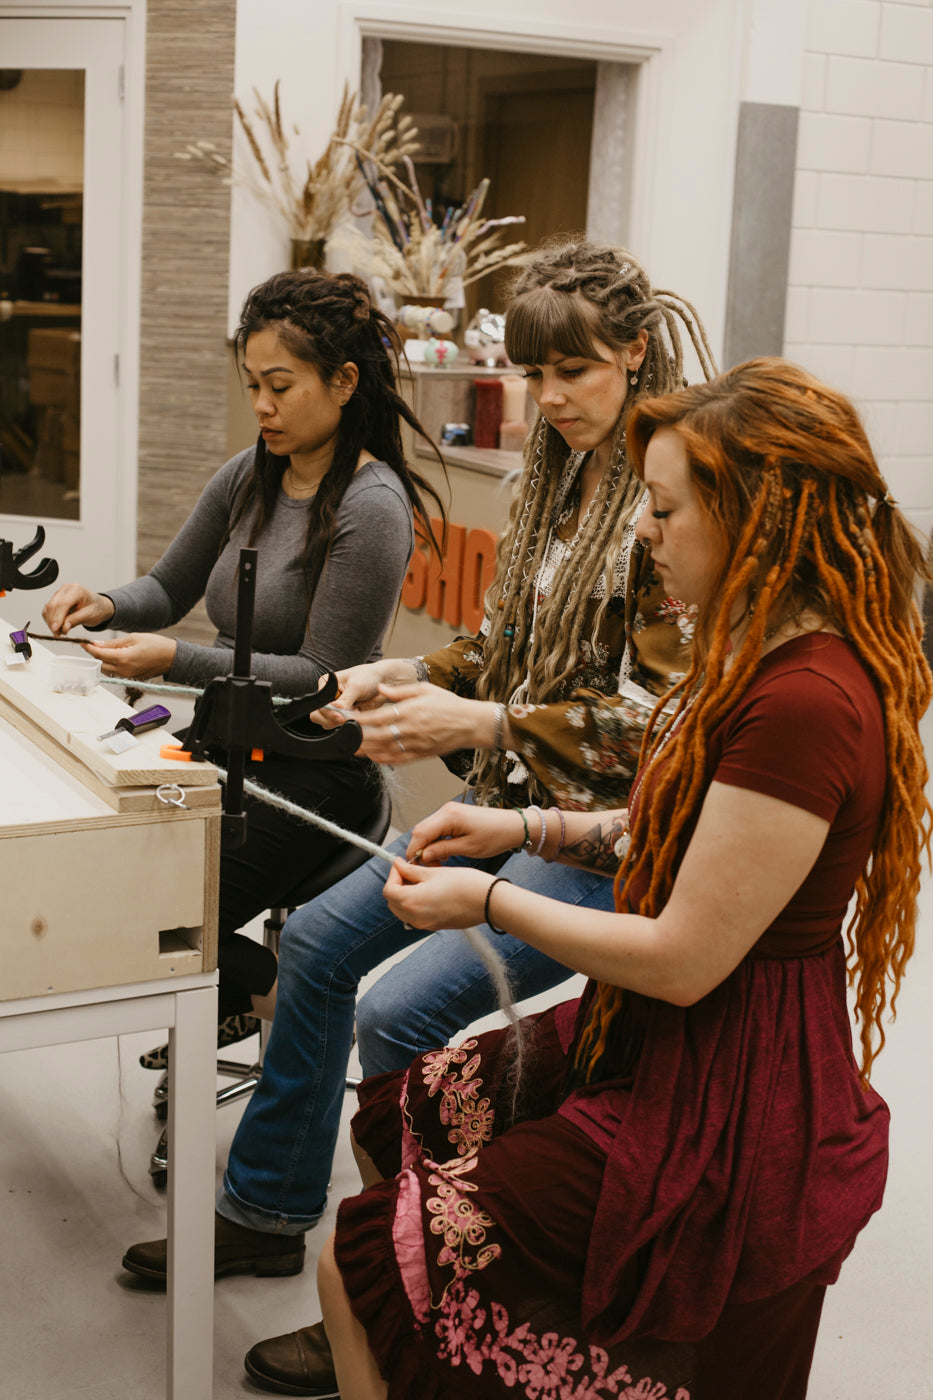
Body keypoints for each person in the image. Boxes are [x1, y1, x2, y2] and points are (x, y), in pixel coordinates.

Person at [309, 357, 931, 1400]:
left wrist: (492, 896)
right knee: (404, 1116)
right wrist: (522, 823)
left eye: (665, 507)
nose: (645, 531)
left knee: (358, 1253)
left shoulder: (808, 700)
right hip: (657, 1034)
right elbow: (673, 828)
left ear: (758, 523)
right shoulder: (749, 652)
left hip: (725, 1085)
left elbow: (687, 958)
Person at [120, 240, 716, 1328]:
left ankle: (403, 1295)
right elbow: (496, 643)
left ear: (636, 353)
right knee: (316, 945)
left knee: (398, 1009)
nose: (552, 398)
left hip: (600, 839)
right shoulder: (559, 477)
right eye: (536, 375)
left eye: (575, 371)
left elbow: (658, 732)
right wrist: (401, 673)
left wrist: (482, 717)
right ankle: (266, 1208)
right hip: (508, 803)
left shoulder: (668, 504)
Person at [42, 268, 446, 1032]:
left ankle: (272, 993)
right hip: (230, 746)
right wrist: (104, 604)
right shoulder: (248, 474)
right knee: (110, 881)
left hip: (316, 775)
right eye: (252, 383)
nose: (260, 405)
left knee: (155, 914)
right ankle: (224, 996)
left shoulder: (372, 505)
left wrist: (174, 661)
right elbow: (167, 587)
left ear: (343, 382)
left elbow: (320, 679)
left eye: (280, 385)